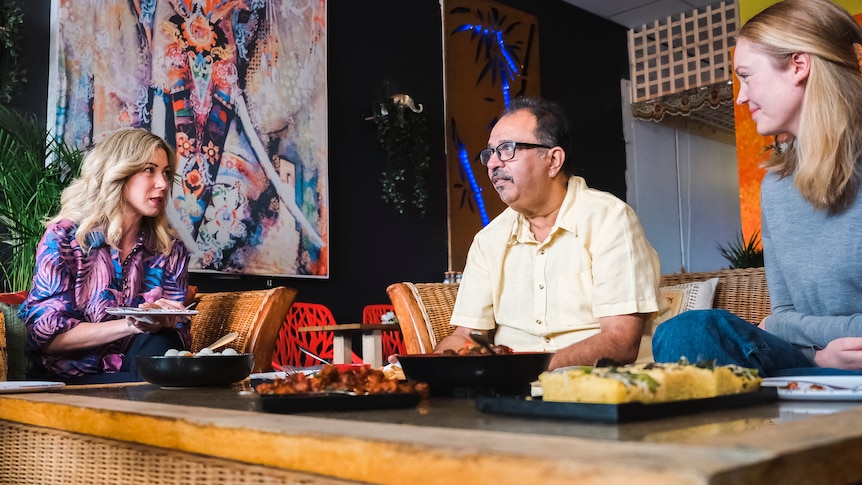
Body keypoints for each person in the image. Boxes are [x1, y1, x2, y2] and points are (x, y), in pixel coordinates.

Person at [653, 0, 862, 377]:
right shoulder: (776, 187)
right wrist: (819, 356)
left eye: (746, 76)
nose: (741, 96)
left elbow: (777, 323)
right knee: (687, 332)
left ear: (799, 65)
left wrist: (794, 333)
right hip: (813, 360)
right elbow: (780, 315)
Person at [434, 97, 661, 370]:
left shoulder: (609, 219)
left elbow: (620, 341)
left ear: (553, 160)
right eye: (489, 153)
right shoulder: (488, 240)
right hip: (513, 390)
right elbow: (466, 336)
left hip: (599, 386)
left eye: (506, 149)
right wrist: (434, 365)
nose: (492, 164)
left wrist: (526, 369)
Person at [19, 129, 192, 384]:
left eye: (166, 173)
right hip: (69, 380)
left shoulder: (169, 252)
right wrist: (132, 324)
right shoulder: (66, 239)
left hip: (140, 374)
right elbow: (47, 339)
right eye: (149, 170)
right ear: (118, 173)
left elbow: (178, 339)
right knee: (151, 382)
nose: (163, 184)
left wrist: (165, 321)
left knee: (162, 340)